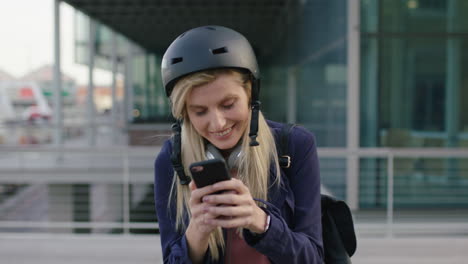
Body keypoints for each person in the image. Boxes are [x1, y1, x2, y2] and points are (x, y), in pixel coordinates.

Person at [154, 25, 323, 264]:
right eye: (199, 111)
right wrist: (198, 231)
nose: (217, 123)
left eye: (228, 104)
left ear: (251, 94)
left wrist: (261, 222)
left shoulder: (295, 146)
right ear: (185, 114)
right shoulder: (171, 159)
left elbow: (313, 258)